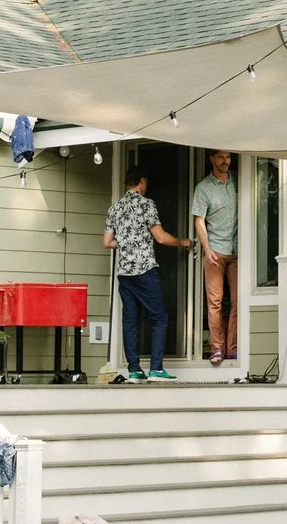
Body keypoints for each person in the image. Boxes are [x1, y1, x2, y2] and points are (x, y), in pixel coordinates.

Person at [103, 167, 190, 381]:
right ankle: (156, 369)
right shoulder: (146, 204)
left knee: (130, 320)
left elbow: (107, 242)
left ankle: (134, 370)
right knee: (159, 317)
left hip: (124, 273)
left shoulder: (115, 208)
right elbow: (160, 237)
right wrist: (183, 242)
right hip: (144, 269)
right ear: (142, 181)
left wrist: (125, 243)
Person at [193, 149, 241, 366]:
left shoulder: (238, 181)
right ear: (212, 159)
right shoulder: (203, 188)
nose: (225, 161)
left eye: (228, 157)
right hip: (216, 251)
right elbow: (199, 220)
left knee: (239, 301)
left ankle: (233, 348)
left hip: (238, 250)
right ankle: (217, 348)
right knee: (215, 302)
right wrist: (207, 248)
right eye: (221, 157)